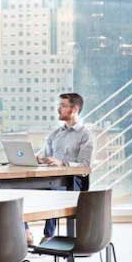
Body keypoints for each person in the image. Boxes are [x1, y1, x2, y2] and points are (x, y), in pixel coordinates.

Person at [36, 92, 93, 239]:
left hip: (72, 183)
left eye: (62, 106)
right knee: (17, 190)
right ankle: (25, 232)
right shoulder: (55, 134)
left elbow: (85, 166)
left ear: (74, 109)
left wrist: (62, 163)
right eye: (59, 105)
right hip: (51, 179)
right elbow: (46, 156)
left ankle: (48, 235)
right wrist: (40, 160)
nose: (58, 109)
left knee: (50, 191)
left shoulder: (85, 135)